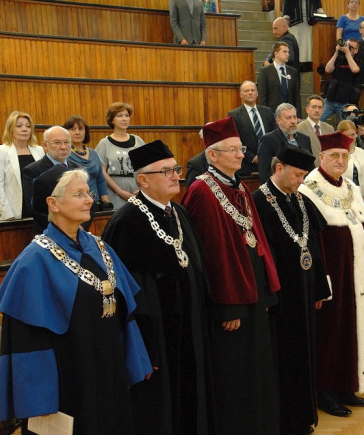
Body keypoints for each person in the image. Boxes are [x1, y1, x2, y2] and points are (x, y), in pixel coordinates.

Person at [0, 166, 152, 433]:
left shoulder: (100, 248)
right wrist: (40, 401)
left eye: (88, 192)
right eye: (79, 194)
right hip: (69, 382)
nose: (89, 199)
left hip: (109, 372)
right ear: (52, 203)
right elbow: (27, 341)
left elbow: (125, 311)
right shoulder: (34, 261)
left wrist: (132, 362)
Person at [101, 140, 214, 435]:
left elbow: (198, 267)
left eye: (175, 169)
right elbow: (126, 293)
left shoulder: (178, 213)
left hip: (191, 326)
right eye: (166, 171)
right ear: (143, 180)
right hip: (157, 337)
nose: (175, 175)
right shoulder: (126, 222)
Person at [181, 116, 281, 434]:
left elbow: (257, 243)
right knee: (234, 371)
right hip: (231, 305)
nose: (241, 155)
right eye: (233, 150)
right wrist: (228, 305)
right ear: (212, 155)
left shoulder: (239, 187)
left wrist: (265, 292)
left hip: (253, 295)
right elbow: (209, 256)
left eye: (241, 149)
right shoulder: (201, 191)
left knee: (257, 367)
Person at [253, 144, 330, 434]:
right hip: (281, 297)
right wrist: (267, 294)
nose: (301, 181)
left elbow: (315, 248)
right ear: (278, 168)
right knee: (283, 357)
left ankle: (304, 416)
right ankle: (286, 421)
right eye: (298, 175)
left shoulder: (300, 199)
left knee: (305, 354)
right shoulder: (258, 202)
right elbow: (260, 254)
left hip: (306, 292)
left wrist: (320, 290)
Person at [298, 132, 364, 417]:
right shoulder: (309, 189)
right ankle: (327, 391)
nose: (340, 161)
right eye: (334, 156)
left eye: (344, 156)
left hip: (353, 274)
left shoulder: (350, 187)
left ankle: (347, 386)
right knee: (330, 333)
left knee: (351, 329)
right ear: (322, 158)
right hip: (330, 276)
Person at [22, 126, 80, 233]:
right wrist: (63, 226)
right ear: (45, 145)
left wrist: (80, 225)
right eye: (57, 142)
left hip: (78, 230)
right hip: (50, 231)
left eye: (67, 142)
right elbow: (35, 208)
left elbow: (90, 201)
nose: (63, 147)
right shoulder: (32, 170)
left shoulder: (78, 169)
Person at [0, 111, 44, 220]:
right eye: (19, 126)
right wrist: (8, 215)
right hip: (11, 212)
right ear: (10, 129)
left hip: (36, 210)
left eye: (28, 126)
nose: (24, 129)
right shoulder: (1, 151)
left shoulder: (39, 150)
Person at [95, 102, 145, 209]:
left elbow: (146, 168)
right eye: (120, 115)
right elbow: (101, 172)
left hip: (138, 194)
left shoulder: (138, 141)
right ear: (112, 120)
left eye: (127, 115)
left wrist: (142, 189)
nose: (124, 119)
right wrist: (120, 192)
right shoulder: (104, 143)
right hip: (115, 195)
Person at [228, 80, 278, 175]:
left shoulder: (267, 111)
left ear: (257, 93)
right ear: (241, 95)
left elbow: (275, 134)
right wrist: (252, 158)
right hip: (248, 165)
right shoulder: (234, 115)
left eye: (252, 90)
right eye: (246, 91)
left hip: (270, 163)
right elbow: (235, 141)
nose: (250, 93)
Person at [258, 103, 313, 182]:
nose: (293, 121)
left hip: (303, 188)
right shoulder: (268, 140)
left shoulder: (304, 139)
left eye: (294, 117)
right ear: (278, 120)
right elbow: (265, 173)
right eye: (288, 118)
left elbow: (311, 168)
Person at [64, 115, 110, 210]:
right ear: (66, 132)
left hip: (96, 204)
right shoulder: (64, 154)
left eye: (81, 129)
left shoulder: (93, 153)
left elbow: (100, 180)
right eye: (73, 129)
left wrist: (106, 203)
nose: (77, 132)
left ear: (86, 132)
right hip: (75, 205)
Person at [320, 38, 362, 122]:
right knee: (316, 120)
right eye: (347, 45)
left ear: (356, 50)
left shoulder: (358, 60)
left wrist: (347, 53)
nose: (348, 48)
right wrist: (336, 52)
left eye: (351, 47)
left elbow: (355, 70)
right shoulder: (339, 58)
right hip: (331, 99)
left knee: (347, 126)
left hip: (346, 102)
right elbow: (328, 70)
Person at [257, 42, 302, 118]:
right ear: (276, 53)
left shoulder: (293, 72)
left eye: (288, 52)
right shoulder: (265, 71)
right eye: (284, 51)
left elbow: (297, 96)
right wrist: (264, 116)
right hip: (272, 114)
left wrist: (299, 116)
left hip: (290, 114)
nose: (288, 54)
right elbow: (262, 96)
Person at [338, 120, 364, 204]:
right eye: (346, 135)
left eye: (353, 135)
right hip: (342, 200)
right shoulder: (334, 154)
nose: (350, 138)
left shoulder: (362, 153)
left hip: (362, 199)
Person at [297, 95, 335, 165]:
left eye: (320, 107)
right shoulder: (299, 129)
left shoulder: (330, 129)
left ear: (323, 110)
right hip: (308, 170)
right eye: (314, 107)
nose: (317, 110)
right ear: (307, 109)